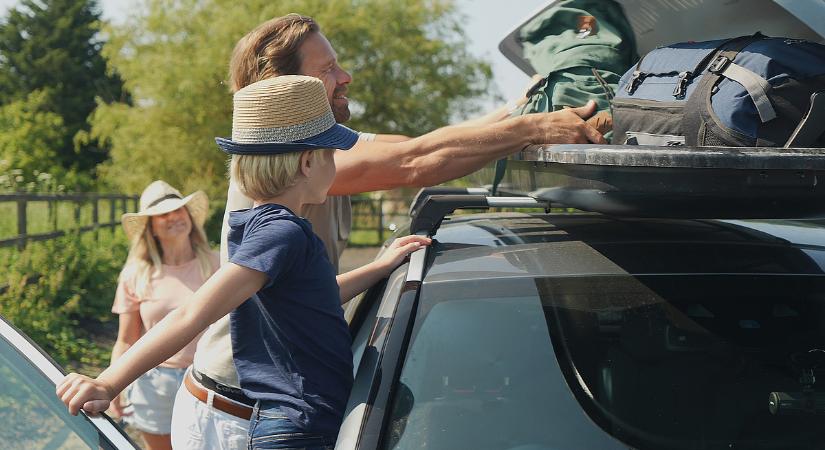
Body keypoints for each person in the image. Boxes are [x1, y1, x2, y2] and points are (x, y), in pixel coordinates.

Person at [174, 13, 610, 450]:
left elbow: (410, 145)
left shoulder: (322, 145)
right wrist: (532, 129)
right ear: (284, 88)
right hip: (240, 415)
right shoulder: (289, 160)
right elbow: (414, 163)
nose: (345, 77)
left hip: (274, 409)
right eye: (326, 70)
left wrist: (517, 112)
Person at [57, 75, 431, 450]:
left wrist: (381, 267)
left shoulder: (258, 225)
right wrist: (107, 382)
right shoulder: (281, 233)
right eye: (332, 154)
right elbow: (192, 315)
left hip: (299, 421)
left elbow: (313, 296)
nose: (336, 164)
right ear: (307, 161)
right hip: (298, 427)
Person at [109, 180, 219, 450]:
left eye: (179, 210)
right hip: (155, 382)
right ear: (151, 228)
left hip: (211, 377)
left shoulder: (219, 264)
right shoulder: (136, 274)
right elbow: (126, 339)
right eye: (163, 214)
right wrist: (112, 385)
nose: (174, 217)